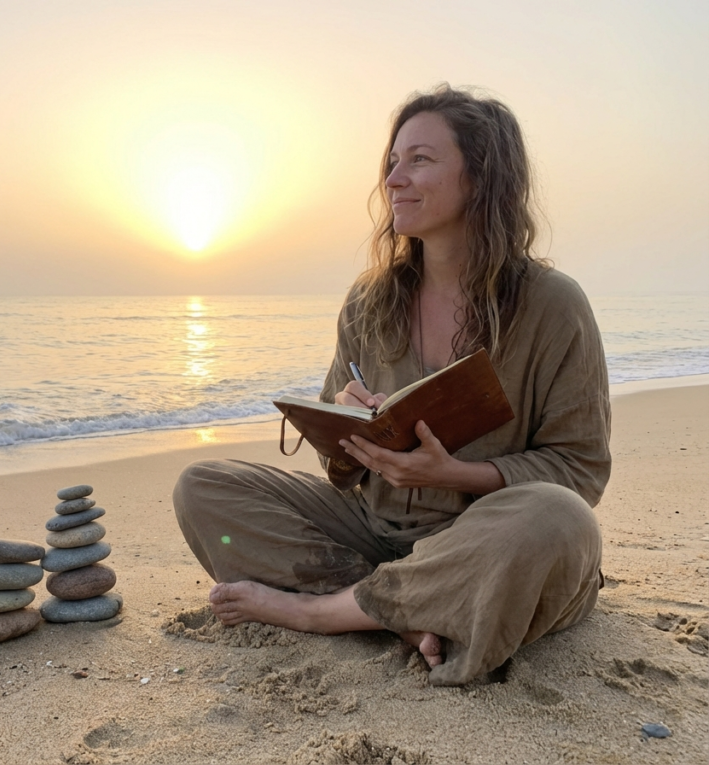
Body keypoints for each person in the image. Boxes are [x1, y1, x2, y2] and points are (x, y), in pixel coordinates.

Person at [172, 85, 610, 686]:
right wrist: (344, 427)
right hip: (375, 533)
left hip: (480, 544)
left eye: (420, 160)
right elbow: (340, 471)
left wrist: (453, 475)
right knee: (203, 488)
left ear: (481, 177)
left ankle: (326, 611)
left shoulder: (553, 306)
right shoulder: (370, 298)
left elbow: (580, 469)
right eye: (392, 162)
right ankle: (404, 613)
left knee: (559, 520)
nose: (394, 179)